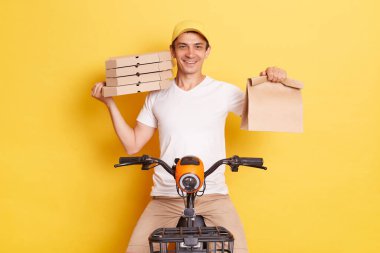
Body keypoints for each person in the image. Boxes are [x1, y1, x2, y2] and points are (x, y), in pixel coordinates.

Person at [91, 20, 287, 253]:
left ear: (207, 51)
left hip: (213, 195)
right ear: (172, 51)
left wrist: (272, 80)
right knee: (136, 250)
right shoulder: (157, 95)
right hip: (166, 196)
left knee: (238, 249)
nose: (190, 53)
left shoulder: (224, 92)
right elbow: (132, 145)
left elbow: (263, 112)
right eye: (183, 46)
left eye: (198, 46)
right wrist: (109, 103)